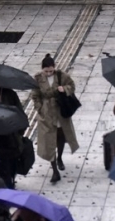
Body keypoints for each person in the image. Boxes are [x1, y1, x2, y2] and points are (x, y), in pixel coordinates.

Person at [30, 54, 80, 184]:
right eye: (46, 71)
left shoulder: (61, 75)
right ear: (42, 69)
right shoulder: (37, 79)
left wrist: (64, 89)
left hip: (60, 111)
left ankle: (60, 158)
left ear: (54, 68)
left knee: (61, 136)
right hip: (47, 113)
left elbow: (72, 86)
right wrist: (40, 108)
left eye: (51, 71)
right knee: (49, 140)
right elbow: (35, 96)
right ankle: (54, 171)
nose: (48, 73)